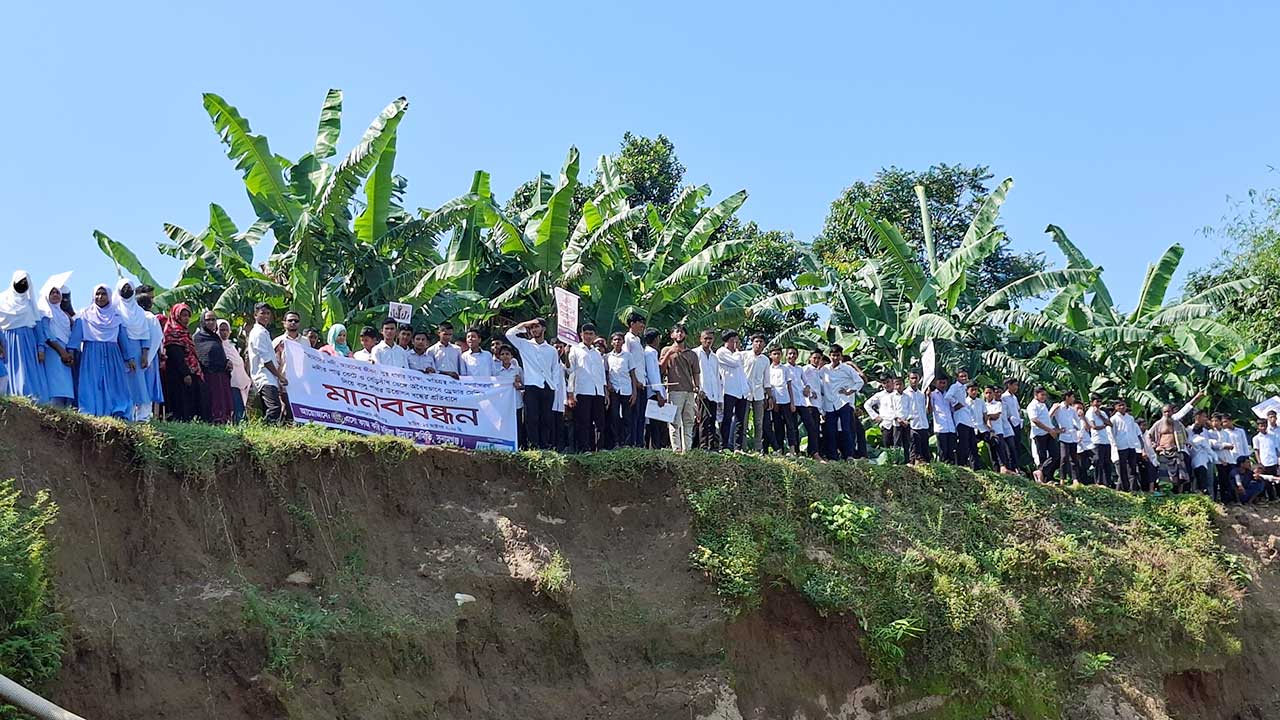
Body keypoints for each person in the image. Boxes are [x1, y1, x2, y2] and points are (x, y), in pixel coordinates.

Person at [506, 319, 560, 449]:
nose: (534, 330)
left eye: (537, 327)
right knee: (532, 418)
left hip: (548, 386)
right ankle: (533, 445)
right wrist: (525, 324)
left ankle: (544, 444)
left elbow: (555, 370)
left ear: (544, 329)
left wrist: (554, 387)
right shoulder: (525, 345)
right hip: (531, 386)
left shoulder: (552, 350)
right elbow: (509, 334)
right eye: (532, 328)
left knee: (546, 418)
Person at [0, 270, 50, 402]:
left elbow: (38, 326)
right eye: (20, 282)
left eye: (25, 282)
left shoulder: (30, 303)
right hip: (7, 342)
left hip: (27, 342)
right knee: (9, 370)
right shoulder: (2, 300)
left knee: (27, 373)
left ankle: (30, 398)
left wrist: (41, 348)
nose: (22, 284)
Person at [113, 279, 156, 421]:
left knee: (139, 384)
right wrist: (127, 356)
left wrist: (145, 354)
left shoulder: (139, 312)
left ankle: (143, 416)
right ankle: (125, 414)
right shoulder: (115, 310)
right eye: (123, 287)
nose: (126, 290)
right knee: (123, 384)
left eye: (129, 287)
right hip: (120, 352)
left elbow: (146, 334)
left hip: (138, 353)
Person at [36, 273, 75, 407]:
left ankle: (64, 410)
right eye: (52, 292)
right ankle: (53, 408)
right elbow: (46, 333)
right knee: (55, 381)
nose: (55, 295)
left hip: (64, 350)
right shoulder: (44, 311)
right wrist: (61, 351)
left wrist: (68, 353)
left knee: (65, 382)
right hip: (53, 350)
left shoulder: (64, 315)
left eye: (57, 292)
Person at [567, 323, 607, 452]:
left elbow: (602, 375)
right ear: (581, 335)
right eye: (586, 334)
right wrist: (570, 394)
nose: (588, 336)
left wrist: (605, 393)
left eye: (591, 334)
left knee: (599, 422)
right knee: (584, 422)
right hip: (583, 390)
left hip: (598, 391)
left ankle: (599, 448)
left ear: (594, 336)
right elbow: (570, 371)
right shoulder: (575, 349)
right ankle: (585, 449)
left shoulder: (597, 353)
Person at [661, 325, 701, 453]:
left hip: (689, 391)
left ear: (685, 335)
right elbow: (661, 369)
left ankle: (687, 449)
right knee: (674, 421)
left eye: (682, 332)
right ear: (672, 335)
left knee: (688, 421)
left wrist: (697, 386)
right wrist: (669, 353)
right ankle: (676, 448)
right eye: (677, 332)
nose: (679, 334)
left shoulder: (692, 354)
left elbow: (696, 372)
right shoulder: (666, 350)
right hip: (674, 390)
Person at [161, 303, 204, 421]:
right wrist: (185, 373)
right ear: (176, 316)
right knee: (179, 401)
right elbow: (176, 355)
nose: (186, 319)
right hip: (177, 375)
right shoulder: (172, 332)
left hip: (189, 372)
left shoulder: (185, 332)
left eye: (188, 316)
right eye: (183, 315)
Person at [821, 344, 864, 460]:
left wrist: (849, 391)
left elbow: (860, 381)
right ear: (829, 356)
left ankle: (849, 455)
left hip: (843, 402)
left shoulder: (847, 368)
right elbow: (818, 382)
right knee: (831, 431)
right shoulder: (824, 369)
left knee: (846, 429)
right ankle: (833, 456)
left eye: (837, 355)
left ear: (841, 356)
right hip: (829, 404)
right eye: (833, 355)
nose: (835, 358)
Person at [247, 303, 287, 423]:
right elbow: (265, 360)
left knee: (269, 408)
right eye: (262, 313)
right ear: (255, 315)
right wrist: (279, 376)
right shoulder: (258, 333)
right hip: (265, 376)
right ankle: (268, 430)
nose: (265, 316)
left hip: (269, 377)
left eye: (268, 313)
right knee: (274, 408)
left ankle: (267, 429)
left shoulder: (264, 332)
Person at [194, 310, 233, 423]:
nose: (211, 322)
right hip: (207, 375)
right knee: (210, 400)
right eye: (208, 320)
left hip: (221, 374)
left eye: (213, 319)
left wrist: (227, 362)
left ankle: (223, 420)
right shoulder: (198, 338)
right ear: (202, 321)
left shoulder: (216, 338)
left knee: (222, 400)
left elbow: (220, 355)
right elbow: (198, 356)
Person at [716, 331, 750, 451]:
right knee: (727, 419)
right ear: (729, 340)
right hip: (729, 391)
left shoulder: (736, 354)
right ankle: (724, 446)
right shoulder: (721, 352)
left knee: (740, 421)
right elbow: (735, 363)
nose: (736, 343)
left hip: (741, 392)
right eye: (734, 340)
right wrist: (737, 352)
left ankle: (738, 448)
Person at [1146, 403, 1191, 493]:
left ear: (1172, 412)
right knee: (1164, 475)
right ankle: (1164, 493)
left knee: (1180, 475)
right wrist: (1156, 446)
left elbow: (1185, 434)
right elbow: (1148, 436)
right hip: (1163, 452)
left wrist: (1185, 443)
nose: (1167, 414)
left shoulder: (1178, 424)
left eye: (1168, 412)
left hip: (1176, 450)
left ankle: (1179, 494)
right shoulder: (1158, 424)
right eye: (1165, 412)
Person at [764, 347, 798, 455]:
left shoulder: (785, 369)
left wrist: (792, 402)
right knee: (777, 425)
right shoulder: (768, 369)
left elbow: (789, 386)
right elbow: (767, 386)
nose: (777, 356)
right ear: (770, 355)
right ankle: (780, 449)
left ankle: (792, 449)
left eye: (779, 354)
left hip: (785, 399)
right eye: (775, 354)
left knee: (789, 424)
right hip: (774, 400)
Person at [605, 332, 635, 448]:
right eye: (615, 340)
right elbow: (606, 373)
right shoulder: (607, 357)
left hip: (626, 389)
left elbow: (632, 375)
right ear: (612, 342)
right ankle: (616, 442)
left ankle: (626, 442)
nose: (617, 342)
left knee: (627, 417)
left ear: (623, 342)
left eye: (619, 340)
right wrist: (608, 385)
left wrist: (634, 392)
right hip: (614, 390)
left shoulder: (628, 356)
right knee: (615, 416)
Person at [865, 375, 905, 462]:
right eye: (884, 383)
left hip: (898, 423)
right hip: (886, 423)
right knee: (887, 446)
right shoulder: (880, 395)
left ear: (892, 382)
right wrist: (875, 416)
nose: (887, 385)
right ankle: (889, 463)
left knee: (898, 445)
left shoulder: (899, 393)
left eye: (888, 382)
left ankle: (898, 462)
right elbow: (867, 404)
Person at [694, 330, 721, 451]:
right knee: (703, 421)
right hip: (702, 393)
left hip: (713, 393)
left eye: (710, 338)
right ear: (700, 339)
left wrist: (718, 396)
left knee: (712, 420)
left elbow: (716, 376)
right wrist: (697, 388)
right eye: (705, 338)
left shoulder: (715, 357)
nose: (708, 341)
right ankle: (702, 446)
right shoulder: (696, 353)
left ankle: (712, 447)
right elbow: (693, 373)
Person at [218, 319, 251, 422]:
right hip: (228, 383)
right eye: (221, 330)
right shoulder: (217, 346)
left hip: (238, 382)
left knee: (239, 408)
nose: (224, 332)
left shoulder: (231, 347)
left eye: (226, 330)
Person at [742, 334, 770, 452]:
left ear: (764, 344)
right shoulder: (744, 355)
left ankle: (758, 449)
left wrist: (769, 397)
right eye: (756, 341)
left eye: (761, 342)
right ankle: (742, 447)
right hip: (745, 392)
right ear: (752, 343)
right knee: (743, 421)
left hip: (759, 394)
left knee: (759, 422)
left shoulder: (765, 360)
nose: (758, 344)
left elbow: (767, 379)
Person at [641, 329, 669, 449]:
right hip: (653, 392)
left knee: (655, 422)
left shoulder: (650, 352)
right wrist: (658, 392)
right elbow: (652, 374)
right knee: (655, 423)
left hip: (654, 390)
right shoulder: (650, 352)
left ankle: (654, 446)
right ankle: (654, 447)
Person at [1026, 387, 1060, 483]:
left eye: (1045, 395)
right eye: (1042, 395)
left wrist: (1053, 430)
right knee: (1042, 457)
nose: (1044, 397)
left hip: (1048, 433)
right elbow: (1035, 420)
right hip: (1039, 434)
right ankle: (1044, 478)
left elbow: (1047, 419)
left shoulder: (1043, 405)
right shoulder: (1032, 406)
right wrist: (1049, 430)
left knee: (1055, 455)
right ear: (1036, 395)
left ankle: (1041, 472)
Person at [797, 350, 825, 459]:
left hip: (817, 405)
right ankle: (813, 452)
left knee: (816, 429)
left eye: (819, 358)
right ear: (810, 358)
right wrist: (810, 393)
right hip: (808, 403)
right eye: (815, 358)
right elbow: (800, 382)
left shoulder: (818, 372)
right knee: (811, 428)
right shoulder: (806, 369)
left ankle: (814, 452)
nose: (817, 360)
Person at [495, 345, 524, 446]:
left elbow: (524, 386)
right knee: (504, 426)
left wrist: (518, 385)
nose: (505, 356)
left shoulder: (518, 370)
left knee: (517, 426)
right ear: (499, 357)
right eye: (502, 354)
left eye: (507, 354)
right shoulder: (496, 371)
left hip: (516, 403)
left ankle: (519, 446)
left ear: (512, 356)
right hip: (502, 404)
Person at [1051, 390, 1082, 484]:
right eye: (1072, 397)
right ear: (1067, 397)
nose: (1073, 399)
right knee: (1064, 457)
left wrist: (1076, 428)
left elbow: (1077, 420)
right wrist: (1056, 429)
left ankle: (1075, 478)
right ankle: (1062, 478)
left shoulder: (1072, 409)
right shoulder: (1059, 407)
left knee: (1074, 458)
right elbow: (1049, 417)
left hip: (1072, 435)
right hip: (1064, 436)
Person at [1085, 395, 1114, 487]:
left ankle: (1107, 483)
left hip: (1106, 440)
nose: (1098, 403)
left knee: (1107, 462)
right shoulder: (1089, 412)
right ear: (1092, 402)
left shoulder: (1102, 412)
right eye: (1096, 401)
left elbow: (1110, 423)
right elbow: (1094, 427)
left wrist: (1100, 416)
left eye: (1100, 401)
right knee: (1098, 461)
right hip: (1096, 440)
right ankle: (1098, 481)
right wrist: (1104, 426)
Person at [954, 383, 983, 470]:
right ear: (967, 391)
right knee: (964, 446)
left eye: (976, 390)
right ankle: (962, 465)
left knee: (973, 447)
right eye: (972, 390)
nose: (974, 392)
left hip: (973, 426)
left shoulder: (980, 401)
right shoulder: (964, 402)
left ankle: (976, 468)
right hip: (963, 424)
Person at [929, 375, 957, 464]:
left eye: (944, 383)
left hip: (951, 427)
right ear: (935, 383)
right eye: (940, 383)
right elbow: (929, 410)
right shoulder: (932, 395)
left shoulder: (949, 395)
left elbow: (953, 410)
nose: (942, 385)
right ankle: (944, 468)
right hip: (940, 427)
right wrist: (928, 397)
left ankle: (952, 468)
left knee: (951, 451)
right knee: (943, 451)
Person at [1001, 379, 1023, 472]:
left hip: (1017, 423)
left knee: (1017, 446)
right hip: (1009, 424)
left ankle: (1017, 467)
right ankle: (1011, 467)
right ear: (1009, 385)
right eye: (1014, 385)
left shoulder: (1014, 397)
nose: (1016, 387)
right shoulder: (1004, 397)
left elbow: (1017, 410)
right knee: (1011, 447)